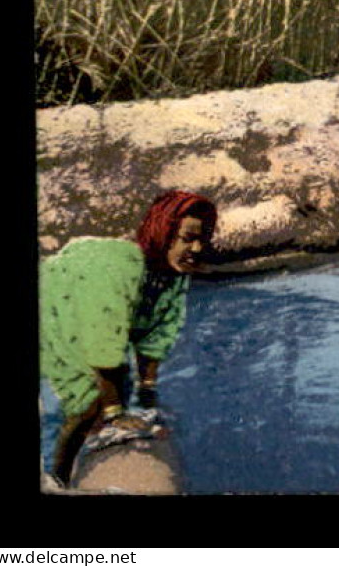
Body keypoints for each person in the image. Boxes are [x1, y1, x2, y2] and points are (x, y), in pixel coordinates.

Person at [40, 190, 218, 485]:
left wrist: (148, 395)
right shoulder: (121, 268)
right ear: (164, 233)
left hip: (91, 314)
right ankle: (58, 479)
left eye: (202, 239)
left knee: (118, 388)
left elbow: (158, 332)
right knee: (89, 405)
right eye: (188, 238)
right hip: (57, 304)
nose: (198, 248)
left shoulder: (174, 275)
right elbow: (102, 341)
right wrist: (114, 415)